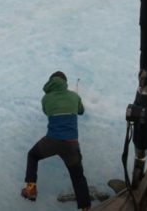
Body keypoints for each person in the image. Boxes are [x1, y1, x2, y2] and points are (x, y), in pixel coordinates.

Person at [21, 71, 91, 210]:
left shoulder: (46, 98)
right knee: (78, 177)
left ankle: (31, 189)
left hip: (52, 141)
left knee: (33, 155)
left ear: (51, 82)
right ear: (65, 82)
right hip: (71, 145)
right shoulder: (74, 96)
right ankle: (85, 208)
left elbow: (47, 112)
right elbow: (81, 111)